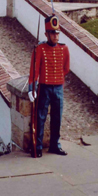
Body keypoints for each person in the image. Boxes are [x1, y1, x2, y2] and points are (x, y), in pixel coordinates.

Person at [28, 14, 70, 157]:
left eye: (57, 33)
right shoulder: (39, 49)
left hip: (58, 87)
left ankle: (55, 145)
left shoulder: (64, 49)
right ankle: (38, 146)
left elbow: (66, 68)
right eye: (52, 33)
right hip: (44, 87)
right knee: (40, 117)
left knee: (57, 118)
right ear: (46, 34)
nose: (55, 36)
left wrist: (57, 79)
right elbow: (34, 70)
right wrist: (31, 88)